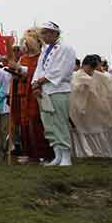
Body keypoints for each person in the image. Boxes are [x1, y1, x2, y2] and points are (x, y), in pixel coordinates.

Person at [32, 21, 77, 167]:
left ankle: (66, 155)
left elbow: (61, 70)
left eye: (47, 32)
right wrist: (35, 84)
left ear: (55, 33)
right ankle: (57, 154)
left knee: (59, 121)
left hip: (58, 89)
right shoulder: (45, 50)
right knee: (48, 123)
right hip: (45, 91)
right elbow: (39, 69)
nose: (44, 36)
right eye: (43, 33)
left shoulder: (66, 48)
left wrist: (41, 81)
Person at [69, 54, 112, 159]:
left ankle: (103, 154)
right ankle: (87, 153)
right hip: (82, 112)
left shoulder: (101, 76)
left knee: (100, 130)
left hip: (96, 111)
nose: (91, 71)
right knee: (85, 131)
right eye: (90, 68)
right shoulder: (75, 76)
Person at [9, 29, 52, 163]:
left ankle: (43, 153)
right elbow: (22, 73)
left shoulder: (43, 57)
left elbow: (39, 74)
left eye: (29, 43)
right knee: (24, 122)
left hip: (36, 93)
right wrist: (15, 71)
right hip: (23, 93)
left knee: (37, 122)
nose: (26, 46)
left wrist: (21, 70)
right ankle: (29, 152)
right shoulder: (23, 58)